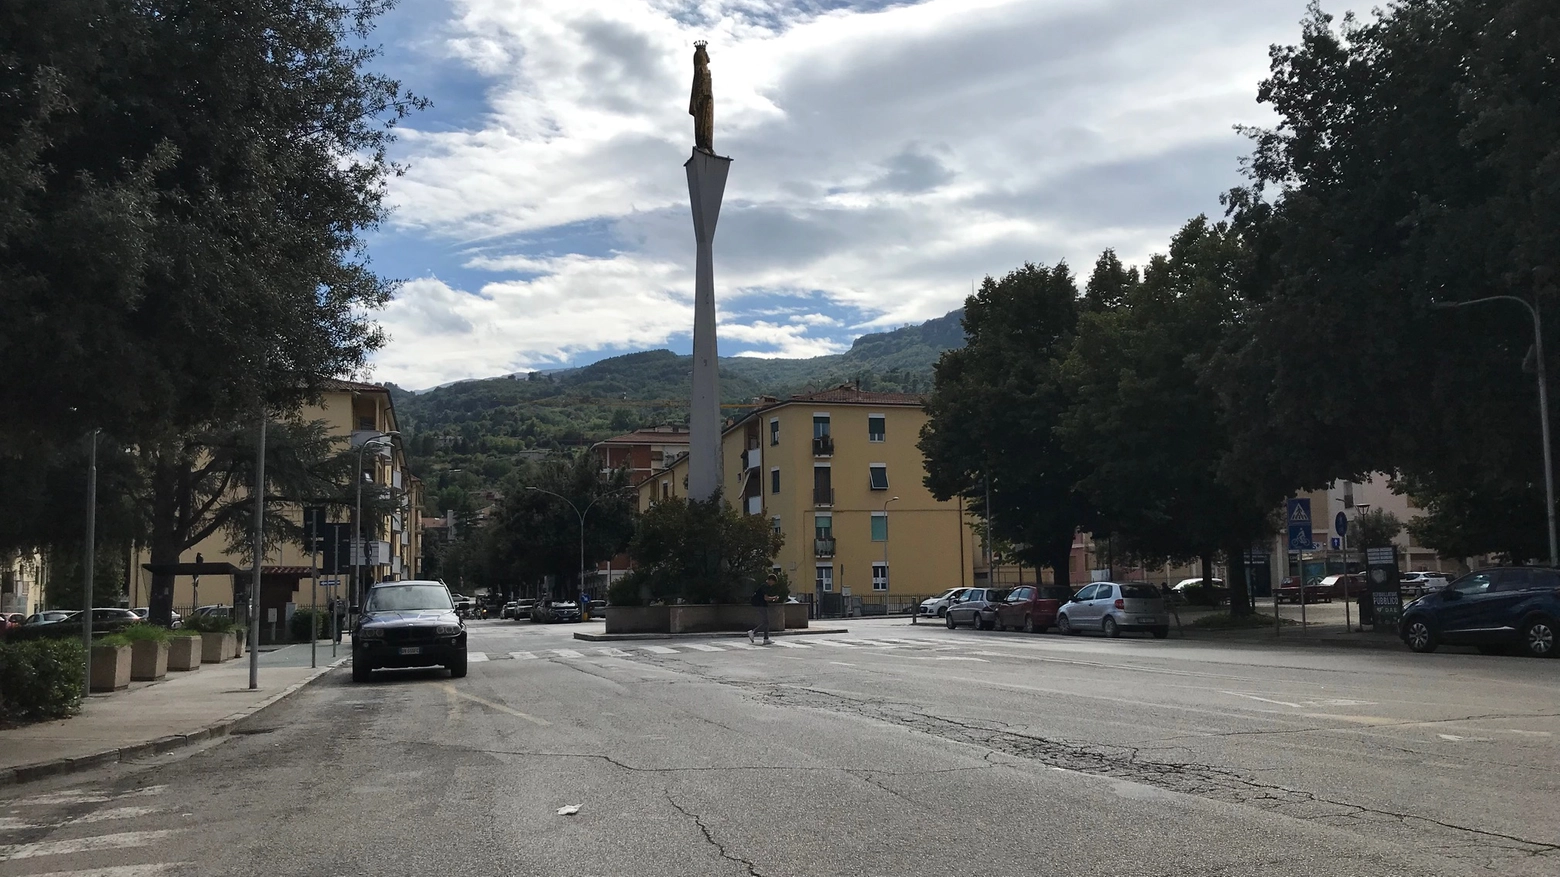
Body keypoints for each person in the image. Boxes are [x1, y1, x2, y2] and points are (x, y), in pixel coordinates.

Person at [748, 575, 780, 644]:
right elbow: (766, 598)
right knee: (766, 622)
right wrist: (774, 598)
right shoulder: (765, 586)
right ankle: (753, 632)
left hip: (761, 605)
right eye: (773, 582)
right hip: (760, 605)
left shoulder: (764, 586)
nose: (772, 584)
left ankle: (766, 638)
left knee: (766, 622)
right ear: (770, 580)